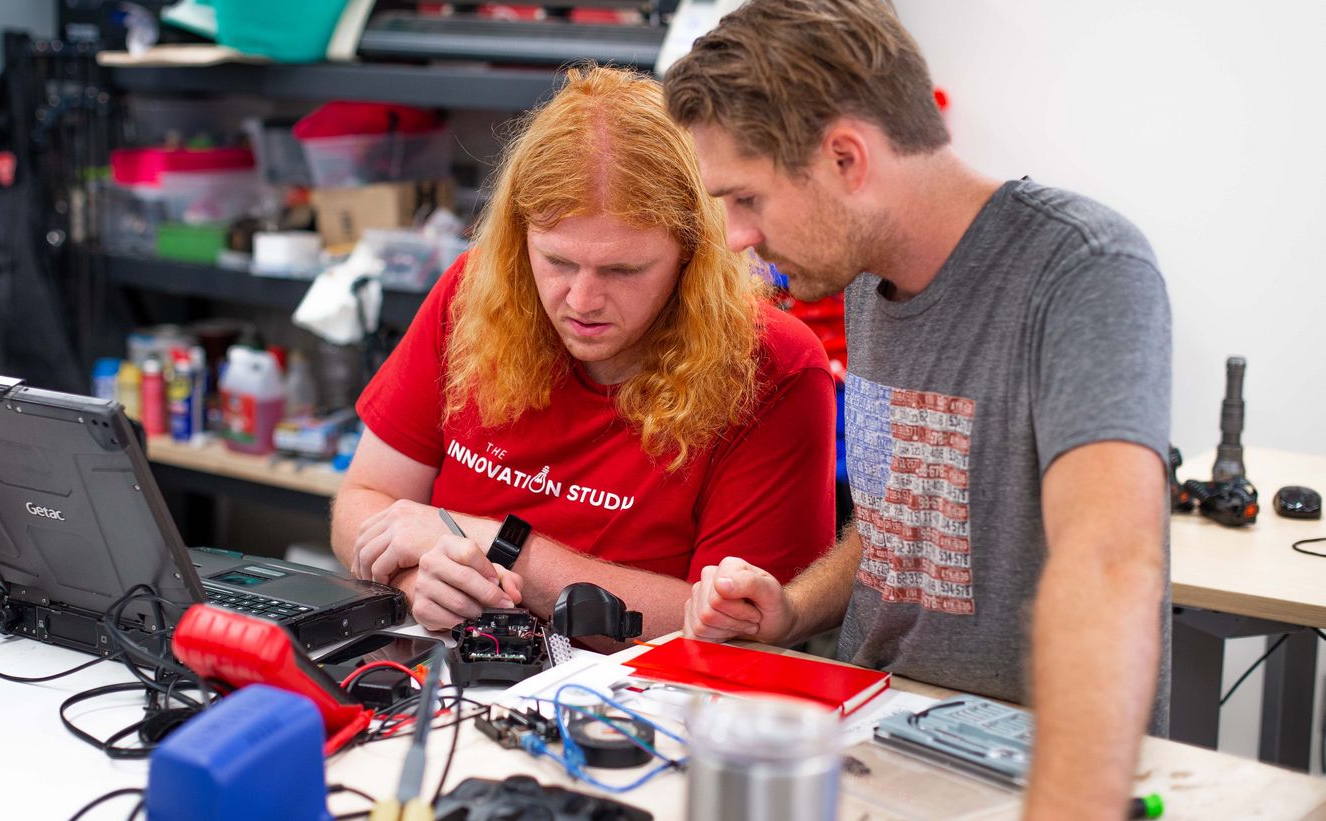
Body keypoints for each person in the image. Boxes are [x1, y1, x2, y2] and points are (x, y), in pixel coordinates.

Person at [664, 1, 1170, 818]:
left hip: (1036, 765)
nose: (734, 237)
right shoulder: (863, 274)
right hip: (877, 740)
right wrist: (794, 607)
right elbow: (905, 514)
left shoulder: (1085, 271)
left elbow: (1110, 562)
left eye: (747, 199)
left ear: (845, 159)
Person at [330, 65, 837, 639]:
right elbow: (365, 500)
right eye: (558, 261)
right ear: (519, 240)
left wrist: (495, 548)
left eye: (624, 269)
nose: (582, 300)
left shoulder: (773, 366)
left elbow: (743, 630)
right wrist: (419, 580)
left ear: (693, 256)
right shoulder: (477, 291)